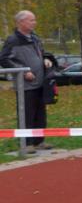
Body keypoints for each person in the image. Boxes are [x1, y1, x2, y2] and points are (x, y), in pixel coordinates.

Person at [0, 10, 54, 153]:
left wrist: (46, 59)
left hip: (40, 82)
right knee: (27, 114)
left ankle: (39, 141)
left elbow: (42, 53)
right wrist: (23, 71)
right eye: (31, 20)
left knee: (40, 114)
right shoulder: (13, 40)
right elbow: (4, 59)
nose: (34, 23)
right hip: (25, 85)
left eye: (34, 20)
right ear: (21, 22)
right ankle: (27, 143)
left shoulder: (35, 37)